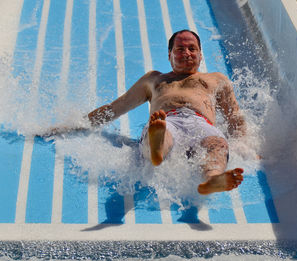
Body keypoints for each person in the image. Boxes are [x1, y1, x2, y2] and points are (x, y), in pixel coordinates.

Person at [57, 29, 246, 195]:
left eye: (192, 48)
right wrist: (76, 124)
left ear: (200, 55)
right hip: (167, 122)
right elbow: (115, 108)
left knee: (217, 143)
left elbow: (235, 119)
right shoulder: (154, 80)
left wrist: (246, 147)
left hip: (202, 125)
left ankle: (212, 179)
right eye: (180, 49)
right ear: (169, 55)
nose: (187, 53)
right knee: (159, 131)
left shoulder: (216, 79)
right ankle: (157, 149)